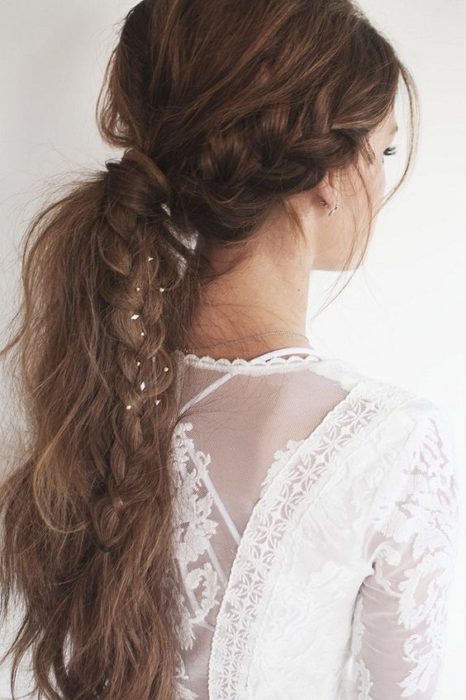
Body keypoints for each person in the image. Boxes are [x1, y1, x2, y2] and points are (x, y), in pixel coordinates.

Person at [0, 0, 460, 698]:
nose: (385, 181)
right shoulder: (390, 446)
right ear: (327, 176)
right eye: (385, 148)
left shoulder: (89, 388)